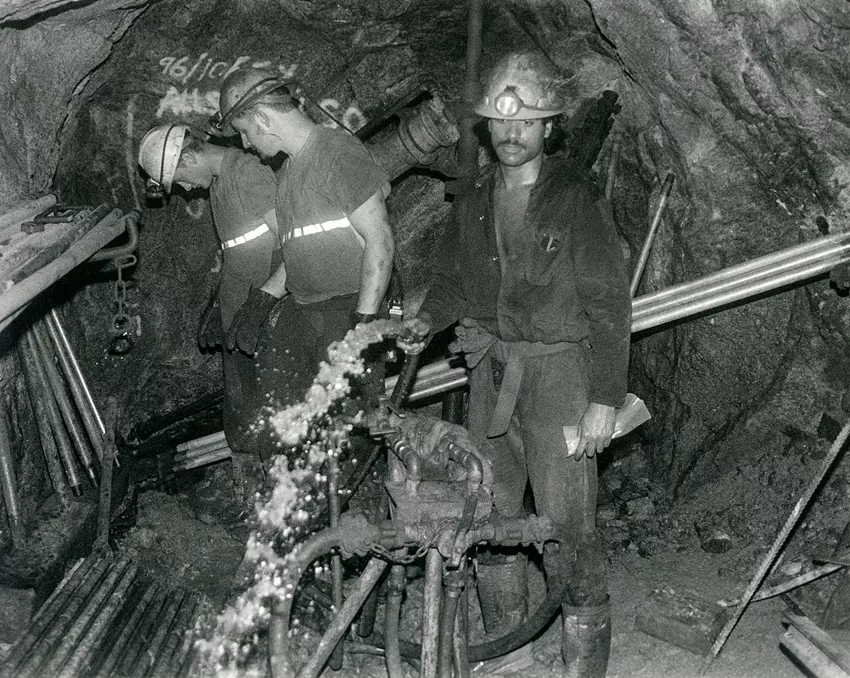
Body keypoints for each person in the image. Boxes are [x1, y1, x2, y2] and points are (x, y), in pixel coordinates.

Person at [410, 51, 632, 678]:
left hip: (561, 375)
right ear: (486, 127)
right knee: (492, 509)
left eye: (527, 122)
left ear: (549, 129)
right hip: (491, 374)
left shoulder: (574, 197)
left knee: (567, 522)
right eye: (502, 124)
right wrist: (424, 321)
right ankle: (512, 648)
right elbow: (452, 281)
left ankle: (584, 663)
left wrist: (604, 398)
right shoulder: (474, 197)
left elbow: (609, 302)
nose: (512, 133)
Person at [212, 68, 394, 408]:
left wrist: (362, 328)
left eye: (245, 132)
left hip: (347, 308)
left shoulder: (337, 153)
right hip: (309, 312)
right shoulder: (289, 172)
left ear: (263, 118)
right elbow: (298, 254)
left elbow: (380, 239)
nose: (246, 144)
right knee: (291, 424)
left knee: (349, 433)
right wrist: (261, 301)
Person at [138, 123, 278, 512]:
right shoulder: (219, 184)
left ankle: (281, 505)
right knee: (243, 410)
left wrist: (264, 305)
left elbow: (292, 245)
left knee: (272, 414)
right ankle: (254, 500)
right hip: (241, 319)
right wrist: (220, 305)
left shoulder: (247, 174)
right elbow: (240, 254)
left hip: (266, 320)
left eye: (178, 178)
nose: (182, 189)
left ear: (188, 156)